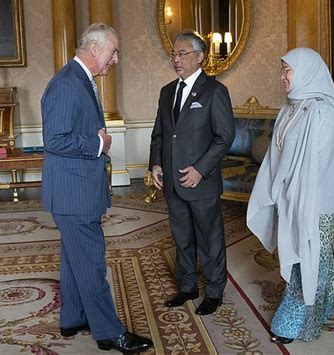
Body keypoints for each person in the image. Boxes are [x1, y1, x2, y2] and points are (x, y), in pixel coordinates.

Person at [41, 23, 153, 354]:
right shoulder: (67, 85)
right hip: (73, 194)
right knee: (91, 261)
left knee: (74, 257)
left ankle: (73, 318)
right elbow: (55, 139)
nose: (115, 59)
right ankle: (109, 332)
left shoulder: (79, 80)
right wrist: (97, 142)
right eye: (113, 51)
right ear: (94, 50)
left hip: (76, 190)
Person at [247, 47, 334, 343]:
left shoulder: (322, 110)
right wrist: (275, 188)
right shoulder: (289, 107)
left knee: (310, 255)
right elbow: (277, 154)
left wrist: (292, 189)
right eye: (282, 70)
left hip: (315, 199)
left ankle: (293, 321)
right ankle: (324, 305)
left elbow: (319, 161)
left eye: (287, 70)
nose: (282, 77)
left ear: (306, 71)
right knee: (313, 254)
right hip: (290, 195)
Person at [149, 30, 235, 316]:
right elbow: (160, 133)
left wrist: (200, 169)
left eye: (182, 53)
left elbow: (225, 137)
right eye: (174, 54)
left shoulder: (215, 92)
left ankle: (214, 291)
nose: (176, 59)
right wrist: (156, 164)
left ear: (199, 57)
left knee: (209, 238)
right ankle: (187, 286)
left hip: (202, 181)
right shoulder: (165, 92)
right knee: (182, 236)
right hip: (173, 181)